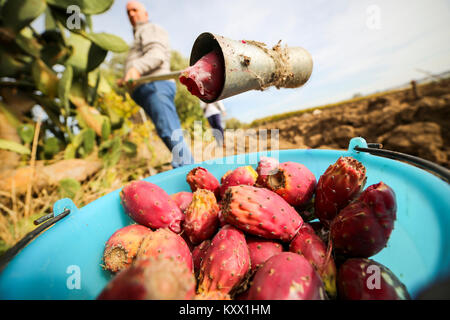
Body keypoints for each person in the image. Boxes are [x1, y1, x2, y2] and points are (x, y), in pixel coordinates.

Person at [118, 1, 194, 168]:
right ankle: (187, 168)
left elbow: (156, 54)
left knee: (169, 131)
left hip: (156, 86)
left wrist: (135, 69)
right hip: (149, 88)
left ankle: (189, 171)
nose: (131, 14)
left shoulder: (149, 29)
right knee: (167, 130)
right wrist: (127, 76)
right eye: (128, 12)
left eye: (134, 10)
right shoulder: (139, 34)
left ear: (145, 13)